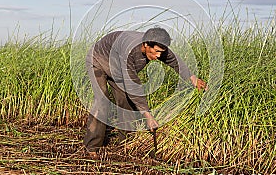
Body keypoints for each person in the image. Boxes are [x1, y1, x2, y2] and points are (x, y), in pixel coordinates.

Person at [83, 27, 207, 158]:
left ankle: (125, 142)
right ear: (146, 45)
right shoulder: (129, 50)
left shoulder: (158, 44)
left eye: (161, 52)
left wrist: (193, 78)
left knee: (126, 103)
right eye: (156, 52)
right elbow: (133, 86)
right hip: (98, 62)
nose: (159, 56)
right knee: (103, 102)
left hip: (118, 70)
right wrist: (148, 116)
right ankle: (92, 146)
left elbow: (175, 61)